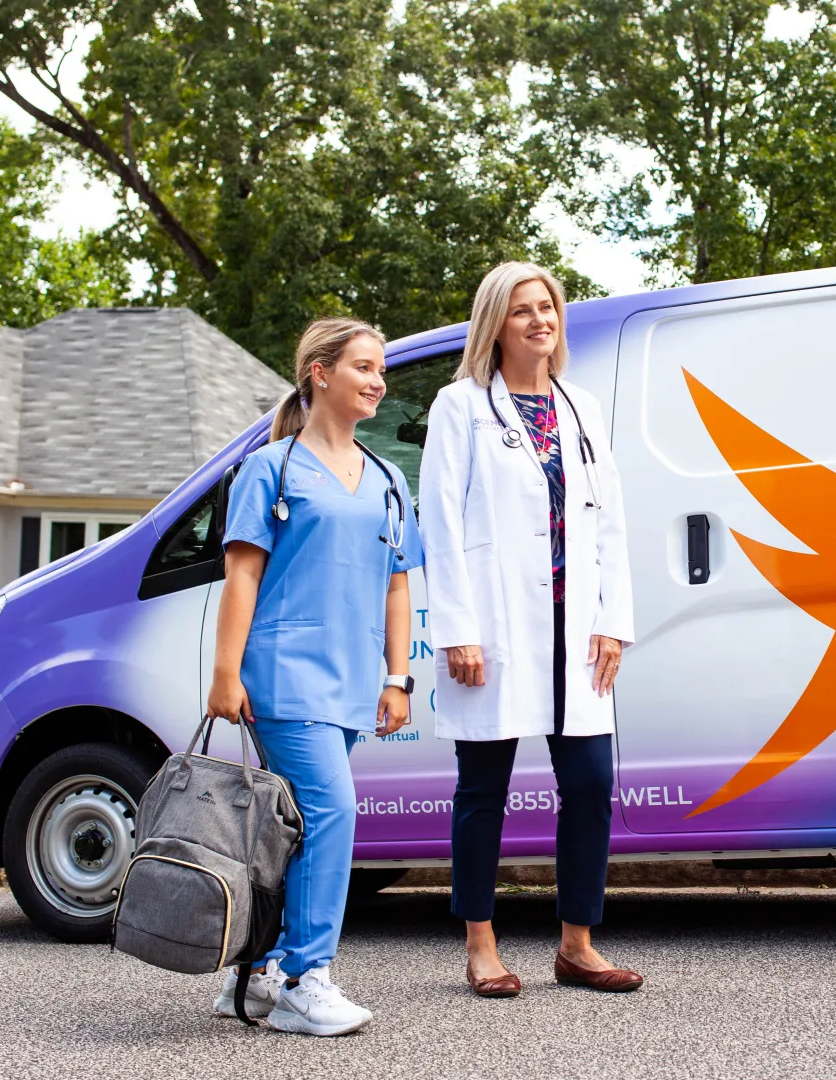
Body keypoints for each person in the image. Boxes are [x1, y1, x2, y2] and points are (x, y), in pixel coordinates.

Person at [419, 261, 639, 998]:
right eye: (522, 311)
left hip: (574, 628)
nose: (539, 320)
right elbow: (440, 524)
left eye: (547, 307)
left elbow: (609, 523)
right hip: (497, 624)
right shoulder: (460, 406)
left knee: (591, 783)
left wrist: (614, 620)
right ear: (496, 324)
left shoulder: (581, 406)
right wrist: (456, 628)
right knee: (484, 788)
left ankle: (577, 944)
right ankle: (482, 945)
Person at [205, 316, 423, 1035]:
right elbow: (242, 577)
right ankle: (307, 977)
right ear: (319, 374)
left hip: (354, 679)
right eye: (363, 366)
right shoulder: (269, 470)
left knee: (296, 828)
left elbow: (397, 585)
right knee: (333, 812)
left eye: (381, 370)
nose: (377, 381)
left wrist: (398, 677)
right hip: (284, 673)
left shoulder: (388, 477)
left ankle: (259, 972)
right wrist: (225, 674)